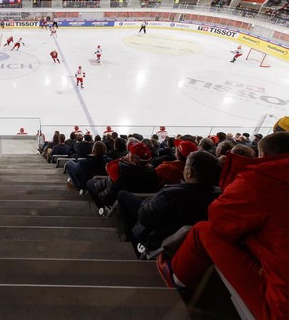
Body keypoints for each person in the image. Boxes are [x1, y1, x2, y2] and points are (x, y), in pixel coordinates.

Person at [156, 132, 289, 319]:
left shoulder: (262, 179)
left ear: (264, 156)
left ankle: (177, 277)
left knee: (203, 230)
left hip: (280, 307)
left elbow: (219, 221)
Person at [118, 150, 221, 255]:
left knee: (122, 195)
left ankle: (133, 240)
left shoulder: (171, 194)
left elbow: (144, 217)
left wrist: (148, 201)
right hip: (191, 246)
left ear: (189, 172)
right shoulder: (220, 196)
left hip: (157, 241)